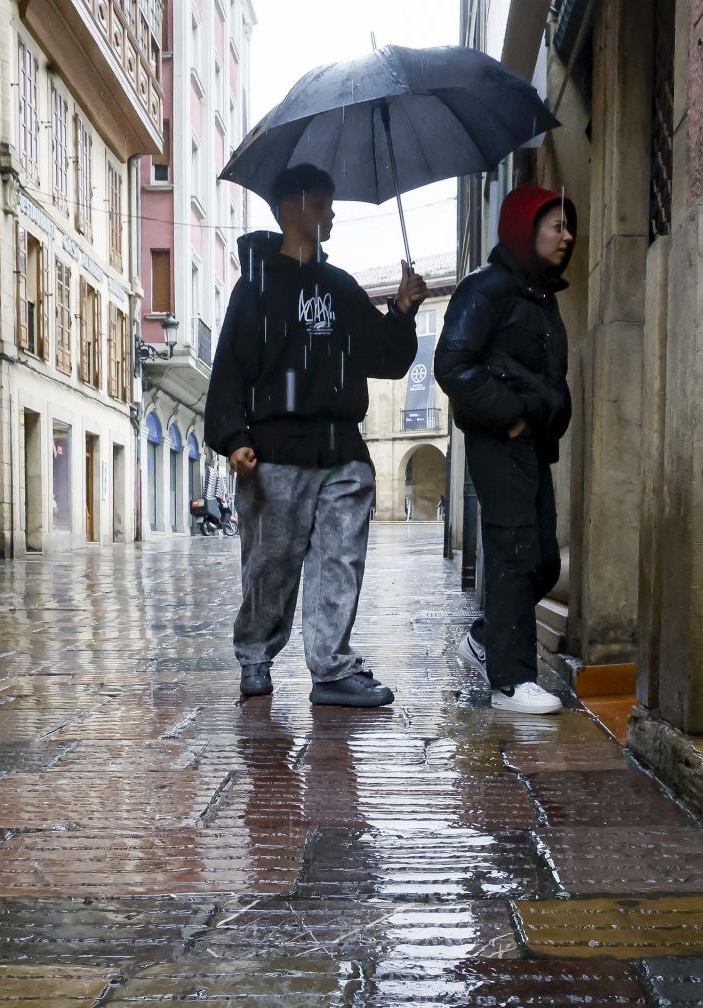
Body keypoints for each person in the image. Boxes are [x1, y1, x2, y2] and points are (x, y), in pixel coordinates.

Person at [205, 164, 429, 706]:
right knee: (270, 566)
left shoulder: (342, 287)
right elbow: (229, 369)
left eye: (329, 203)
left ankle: (331, 669)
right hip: (275, 453)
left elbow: (386, 359)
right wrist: (234, 437)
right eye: (320, 203)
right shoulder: (253, 288)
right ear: (290, 208)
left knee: (340, 560)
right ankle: (255, 656)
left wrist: (402, 309)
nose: (330, 214)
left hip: (344, 450)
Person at [434, 185, 577, 715]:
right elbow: (453, 365)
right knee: (516, 553)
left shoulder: (541, 296)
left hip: (534, 446)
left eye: (569, 227)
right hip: (501, 444)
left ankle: (485, 636)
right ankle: (511, 682)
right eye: (555, 225)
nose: (567, 236)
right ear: (524, 228)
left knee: (540, 561)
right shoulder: (486, 289)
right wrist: (511, 415)